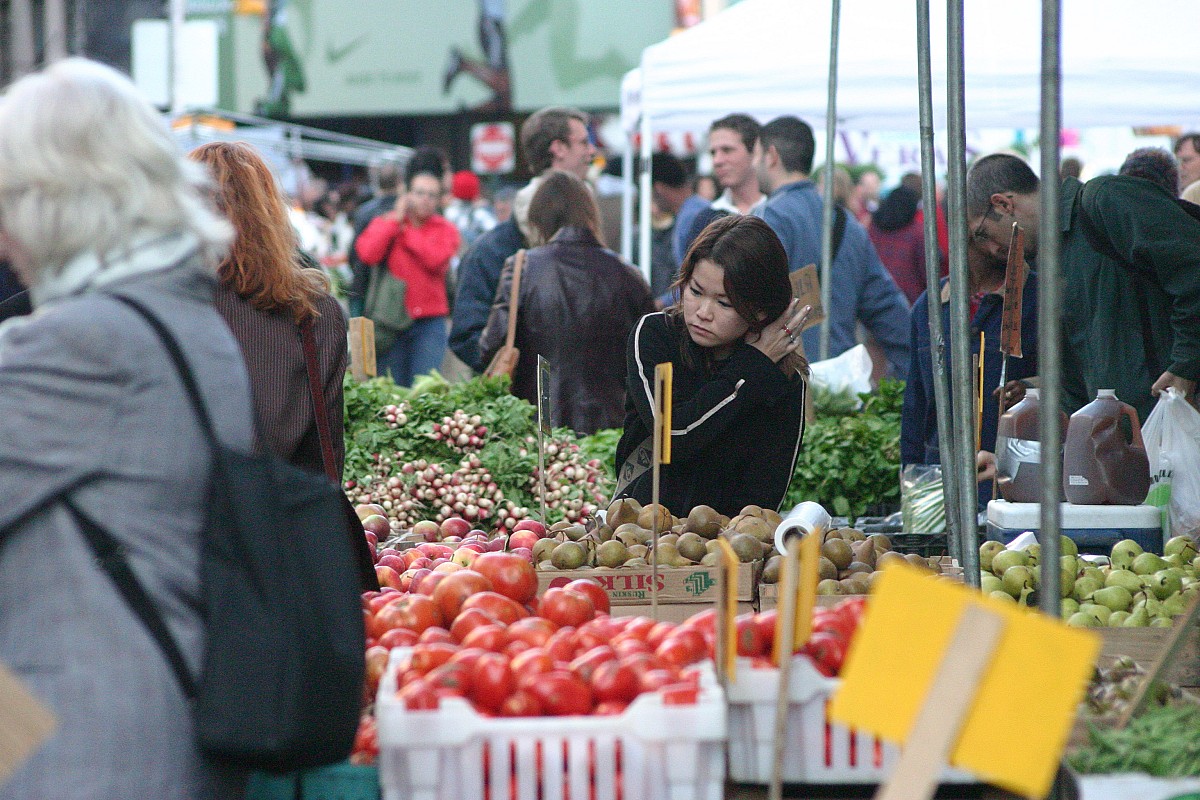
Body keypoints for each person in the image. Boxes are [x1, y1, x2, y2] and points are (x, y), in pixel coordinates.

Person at [0, 59, 254, 799]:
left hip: (93, 754)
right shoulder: (177, 317)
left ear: (53, 200)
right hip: (137, 722)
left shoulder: (88, 343)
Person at [966, 152, 1200, 421]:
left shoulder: (1105, 200)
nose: (991, 250)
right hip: (1124, 440)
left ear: (1004, 204)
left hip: (1174, 422)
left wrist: (1185, 366)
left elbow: (1192, 269)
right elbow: (1080, 371)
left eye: (983, 234)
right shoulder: (1050, 259)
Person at [614, 215, 811, 517]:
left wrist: (755, 370)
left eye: (725, 303)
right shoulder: (655, 335)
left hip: (727, 548)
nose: (702, 313)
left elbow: (766, 495)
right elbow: (673, 435)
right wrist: (751, 368)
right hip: (638, 538)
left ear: (760, 310)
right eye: (695, 291)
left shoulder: (784, 379)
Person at [189, 141, 348, 478]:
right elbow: (325, 459)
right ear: (271, 214)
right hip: (276, 520)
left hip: (177, 520)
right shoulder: (316, 315)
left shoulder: (158, 311)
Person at [479, 172, 655, 434]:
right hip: (612, 431)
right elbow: (652, 356)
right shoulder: (628, 274)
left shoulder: (522, 268)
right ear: (590, 215)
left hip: (539, 428)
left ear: (539, 219)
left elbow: (490, 347)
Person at [754, 115, 912, 378]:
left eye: (756, 155)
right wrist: (912, 380)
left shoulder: (767, 218)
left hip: (785, 383)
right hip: (841, 386)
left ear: (771, 155)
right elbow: (887, 309)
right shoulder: (845, 221)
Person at [449, 106, 594, 371]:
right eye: (584, 142)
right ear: (558, 148)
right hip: (520, 404)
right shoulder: (490, 252)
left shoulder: (596, 240)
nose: (592, 151)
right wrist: (522, 373)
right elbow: (467, 337)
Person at [901, 239, 1039, 508]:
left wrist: (1031, 388)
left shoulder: (1040, 299)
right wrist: (913, 485)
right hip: (942, 488)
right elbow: (916, 408)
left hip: (1021, 491)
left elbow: (1073, 386)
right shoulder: (929, 307)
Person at [356, 158, 460, 386]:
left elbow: (436, 260)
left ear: (439, 199)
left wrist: (406, 231)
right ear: (407, 193)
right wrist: (395, 220)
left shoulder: (445, 229)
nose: (425, 199)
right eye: (420, 192)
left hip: (429, 323)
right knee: (391, 391)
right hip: (391, 322)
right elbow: (367, 254)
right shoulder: (389, 222)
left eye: (432, 195)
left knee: (425, 389)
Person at [868, 177, 930, 305]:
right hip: (911, 299)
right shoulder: (917, 232)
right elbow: (927, 270)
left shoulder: (873, 228)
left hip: (877, 298)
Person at [708, 114, 766, 216]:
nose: (717, 161)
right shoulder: (706, 218)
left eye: (727, 150)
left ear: (755, 151)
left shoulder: (780, 210)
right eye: (713, 153)